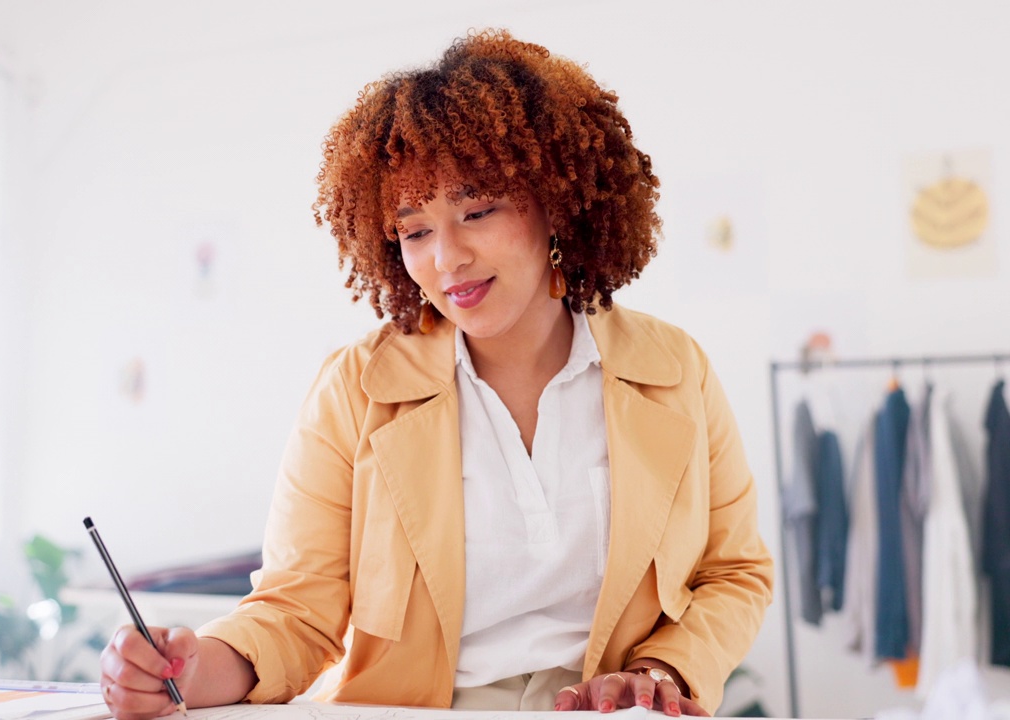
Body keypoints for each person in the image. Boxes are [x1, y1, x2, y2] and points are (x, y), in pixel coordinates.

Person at [99, 29, 773, 718]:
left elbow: (734, 573)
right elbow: (296, 614)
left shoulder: (674, 369)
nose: (446, 259)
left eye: (476, 211)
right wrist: (185, 667)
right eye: (415, 229)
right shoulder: (354, 390)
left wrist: (663, 669)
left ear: (556, 202)